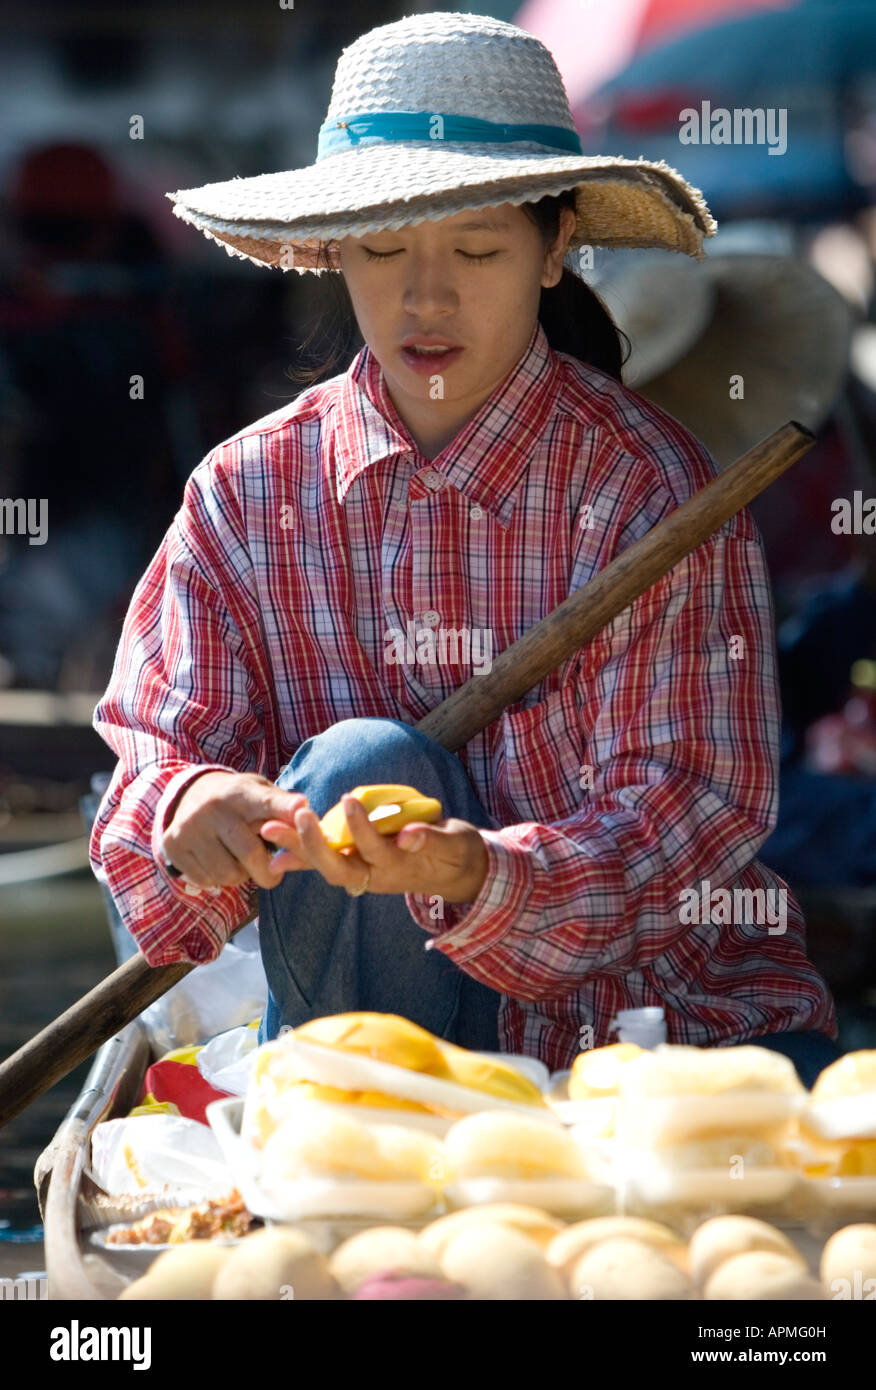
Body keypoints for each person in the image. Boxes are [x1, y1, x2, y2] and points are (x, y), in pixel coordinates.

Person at [89, 11, 840, 1086]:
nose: (425, 295)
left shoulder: (647, 489)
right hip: (379, 1061)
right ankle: (375, 1159)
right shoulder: (247, 495)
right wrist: (190, 814)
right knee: (359, 765)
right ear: (332, 253)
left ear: (553, 249)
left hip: (650, 1042)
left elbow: (685, 814)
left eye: (477, 248)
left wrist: (475, 873)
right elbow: (149, 771)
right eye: (385, 247)